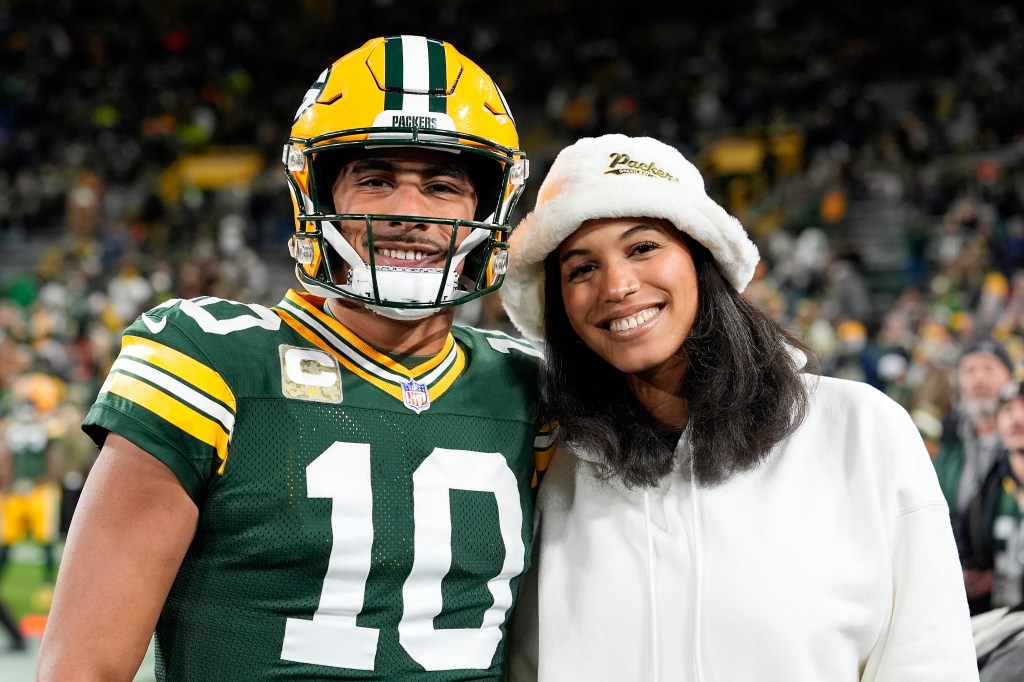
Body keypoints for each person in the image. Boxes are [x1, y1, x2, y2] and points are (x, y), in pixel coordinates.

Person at [37, 35, 544, 681]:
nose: (409, 211)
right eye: (376, 179)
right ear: (319, 196)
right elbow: (83, 669)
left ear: (488, 208)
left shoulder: (527, 386)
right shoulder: (211, 357)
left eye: (442, 185)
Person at [501, 134, 978, 681]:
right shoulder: (551, 464)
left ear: (703, 257)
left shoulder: (860, 431)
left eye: (643, 247)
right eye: (581, 268)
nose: (617, 285)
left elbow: (929, 659)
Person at [958, 379, 1024, 614]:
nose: (1016, 418)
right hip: (1000, 622)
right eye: (1008, 410)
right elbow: (963, 546)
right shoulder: (989, 487)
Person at [934, 339, 1015, 527]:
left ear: (1009, 377)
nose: (979, 379)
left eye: (989, 369)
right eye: (970, 370)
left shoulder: (1018, 442)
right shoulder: (948, 444)